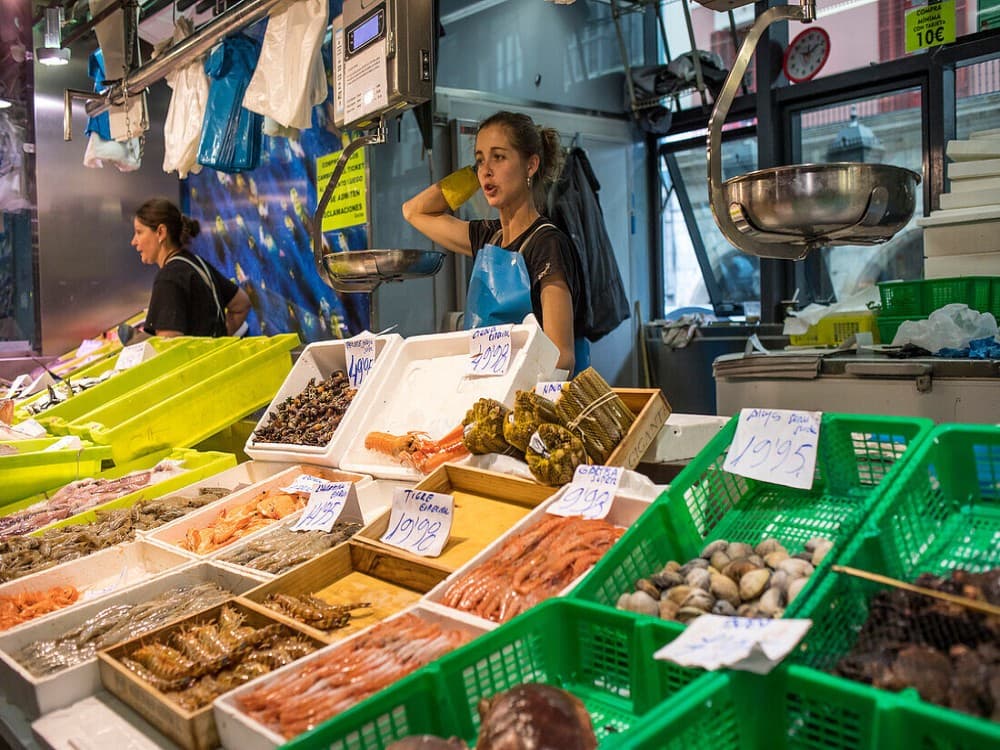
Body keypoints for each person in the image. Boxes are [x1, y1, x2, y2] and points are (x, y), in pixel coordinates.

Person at [402, 111, 588, 375]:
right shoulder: (488, 237)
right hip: (490, 389)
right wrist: (474, 175)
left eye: (499, 157)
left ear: (531, 165)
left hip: (535, 398)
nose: (487, 170)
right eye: (480, 160)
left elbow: (562, 357)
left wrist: (510, 392)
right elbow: (414, 211)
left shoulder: (547, 243)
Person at [132, 198, 251, 338]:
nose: (134, 241)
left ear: (161, 232)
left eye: (139, 232)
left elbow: (169, 346)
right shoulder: (197, 262)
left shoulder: (167, 279)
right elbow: (241, 304)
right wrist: (218, 340)